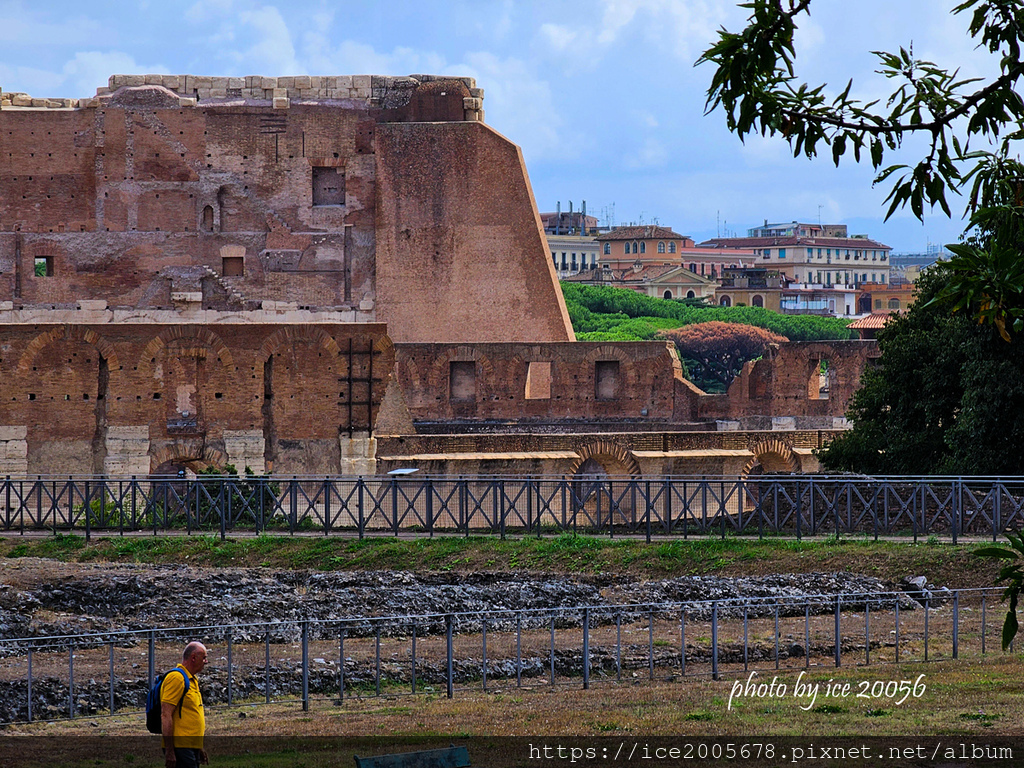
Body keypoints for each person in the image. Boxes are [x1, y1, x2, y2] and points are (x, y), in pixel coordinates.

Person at [161, 641, 209, 768]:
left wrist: (199, 747)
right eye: (204, 658)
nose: (206, 661)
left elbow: (190, 716)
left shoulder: (191, 679)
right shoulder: (176, 678)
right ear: (193, 658)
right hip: (180, 747)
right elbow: (166, 715)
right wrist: (170, 751)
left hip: (190, 745)